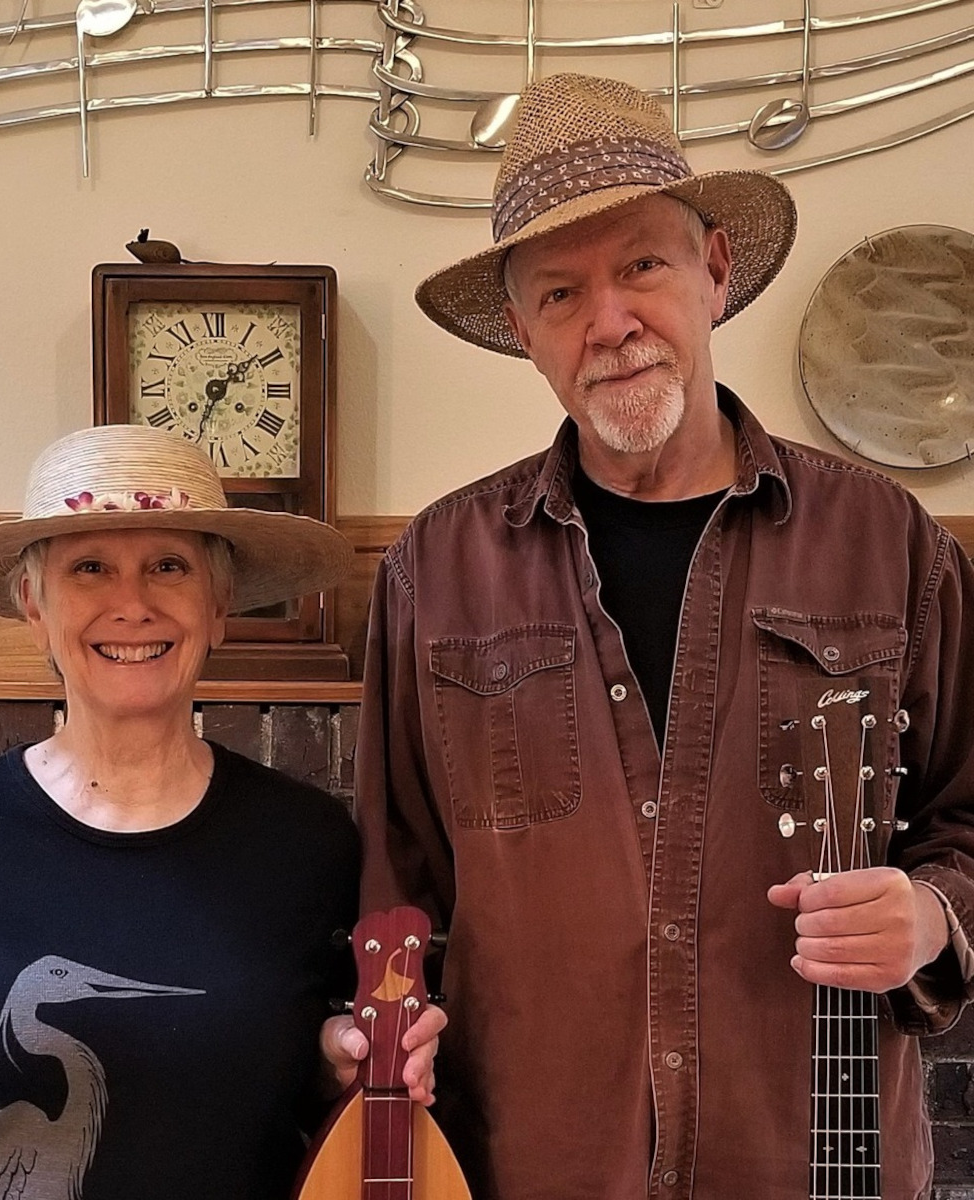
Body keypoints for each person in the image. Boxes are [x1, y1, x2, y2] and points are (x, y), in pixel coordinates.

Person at [355, 73, 974, 1199]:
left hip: (816, 1168)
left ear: (716, 272)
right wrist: (369, 1042)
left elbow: (968, 816)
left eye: (642, 265)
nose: (611, 323)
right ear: (527, 336)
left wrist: (932, 916)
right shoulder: (433, 576)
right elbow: (394, 886)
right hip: (534, 1168)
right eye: (558, 293)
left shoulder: (892, 547)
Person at [0, 424, 441, 1200]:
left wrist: (344, 1058)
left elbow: (301, 1097)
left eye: (168, 567)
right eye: (90, 569)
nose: (133, 604)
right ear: (33, 608)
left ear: (218, 607)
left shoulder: (308, 843)